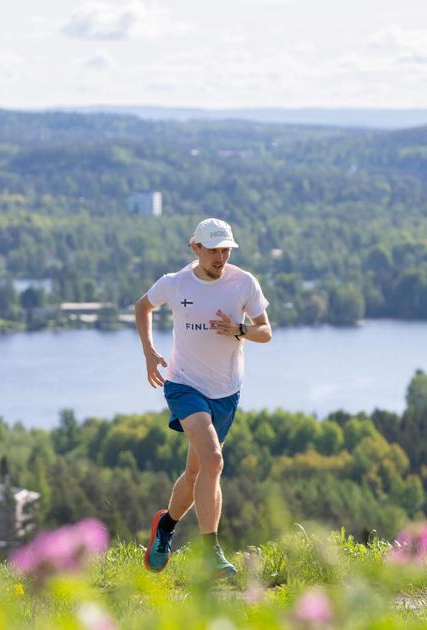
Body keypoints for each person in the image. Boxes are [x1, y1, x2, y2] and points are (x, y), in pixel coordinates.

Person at [135, 217, 272, 577]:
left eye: (225, 249)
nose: (220, 257)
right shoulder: (175, 283)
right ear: (195, 247)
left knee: (195, 473)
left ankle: (165, 526)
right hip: (184, 385)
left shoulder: (244, 283)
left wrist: (239, 329)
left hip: (226, 391)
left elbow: (266, 331)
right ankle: (211, 553)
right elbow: (142, 307)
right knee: (213, 460)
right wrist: (149, 352)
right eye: (213, 250)